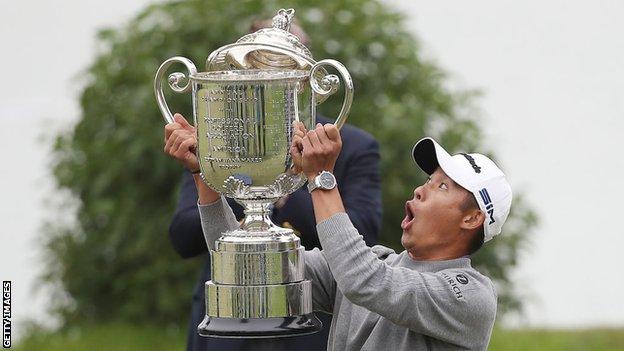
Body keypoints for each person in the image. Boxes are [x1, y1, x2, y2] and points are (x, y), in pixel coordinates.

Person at [165, 119, 513, 350]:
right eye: (426, 181)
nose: (421, 190)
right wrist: (203, 176)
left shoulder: (469, 296)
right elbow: (244, 267)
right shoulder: (379, 262)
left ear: (472, 219)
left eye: (441, 187)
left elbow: (365, 281)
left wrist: (320, 179)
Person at [166, 109, 380, 350]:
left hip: (307, 331)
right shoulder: (216, 142)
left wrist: (290, 188)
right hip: (226, 329)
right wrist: (245, 185)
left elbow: (363, 239)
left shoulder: (350, 144)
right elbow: (183, 237)